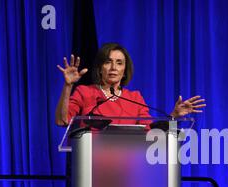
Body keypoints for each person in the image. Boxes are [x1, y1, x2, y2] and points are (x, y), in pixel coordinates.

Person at [55, 43, 205, 126]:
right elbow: (62, 121)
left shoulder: (134, 98)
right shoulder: (85, 92)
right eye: (108, 62)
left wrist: (173, 116)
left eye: (119, 63)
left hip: (128, 166)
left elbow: (150, 133)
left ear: (125, 71)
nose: (113, 67)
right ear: (100, 68)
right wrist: (68, 86)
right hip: (90, 165)